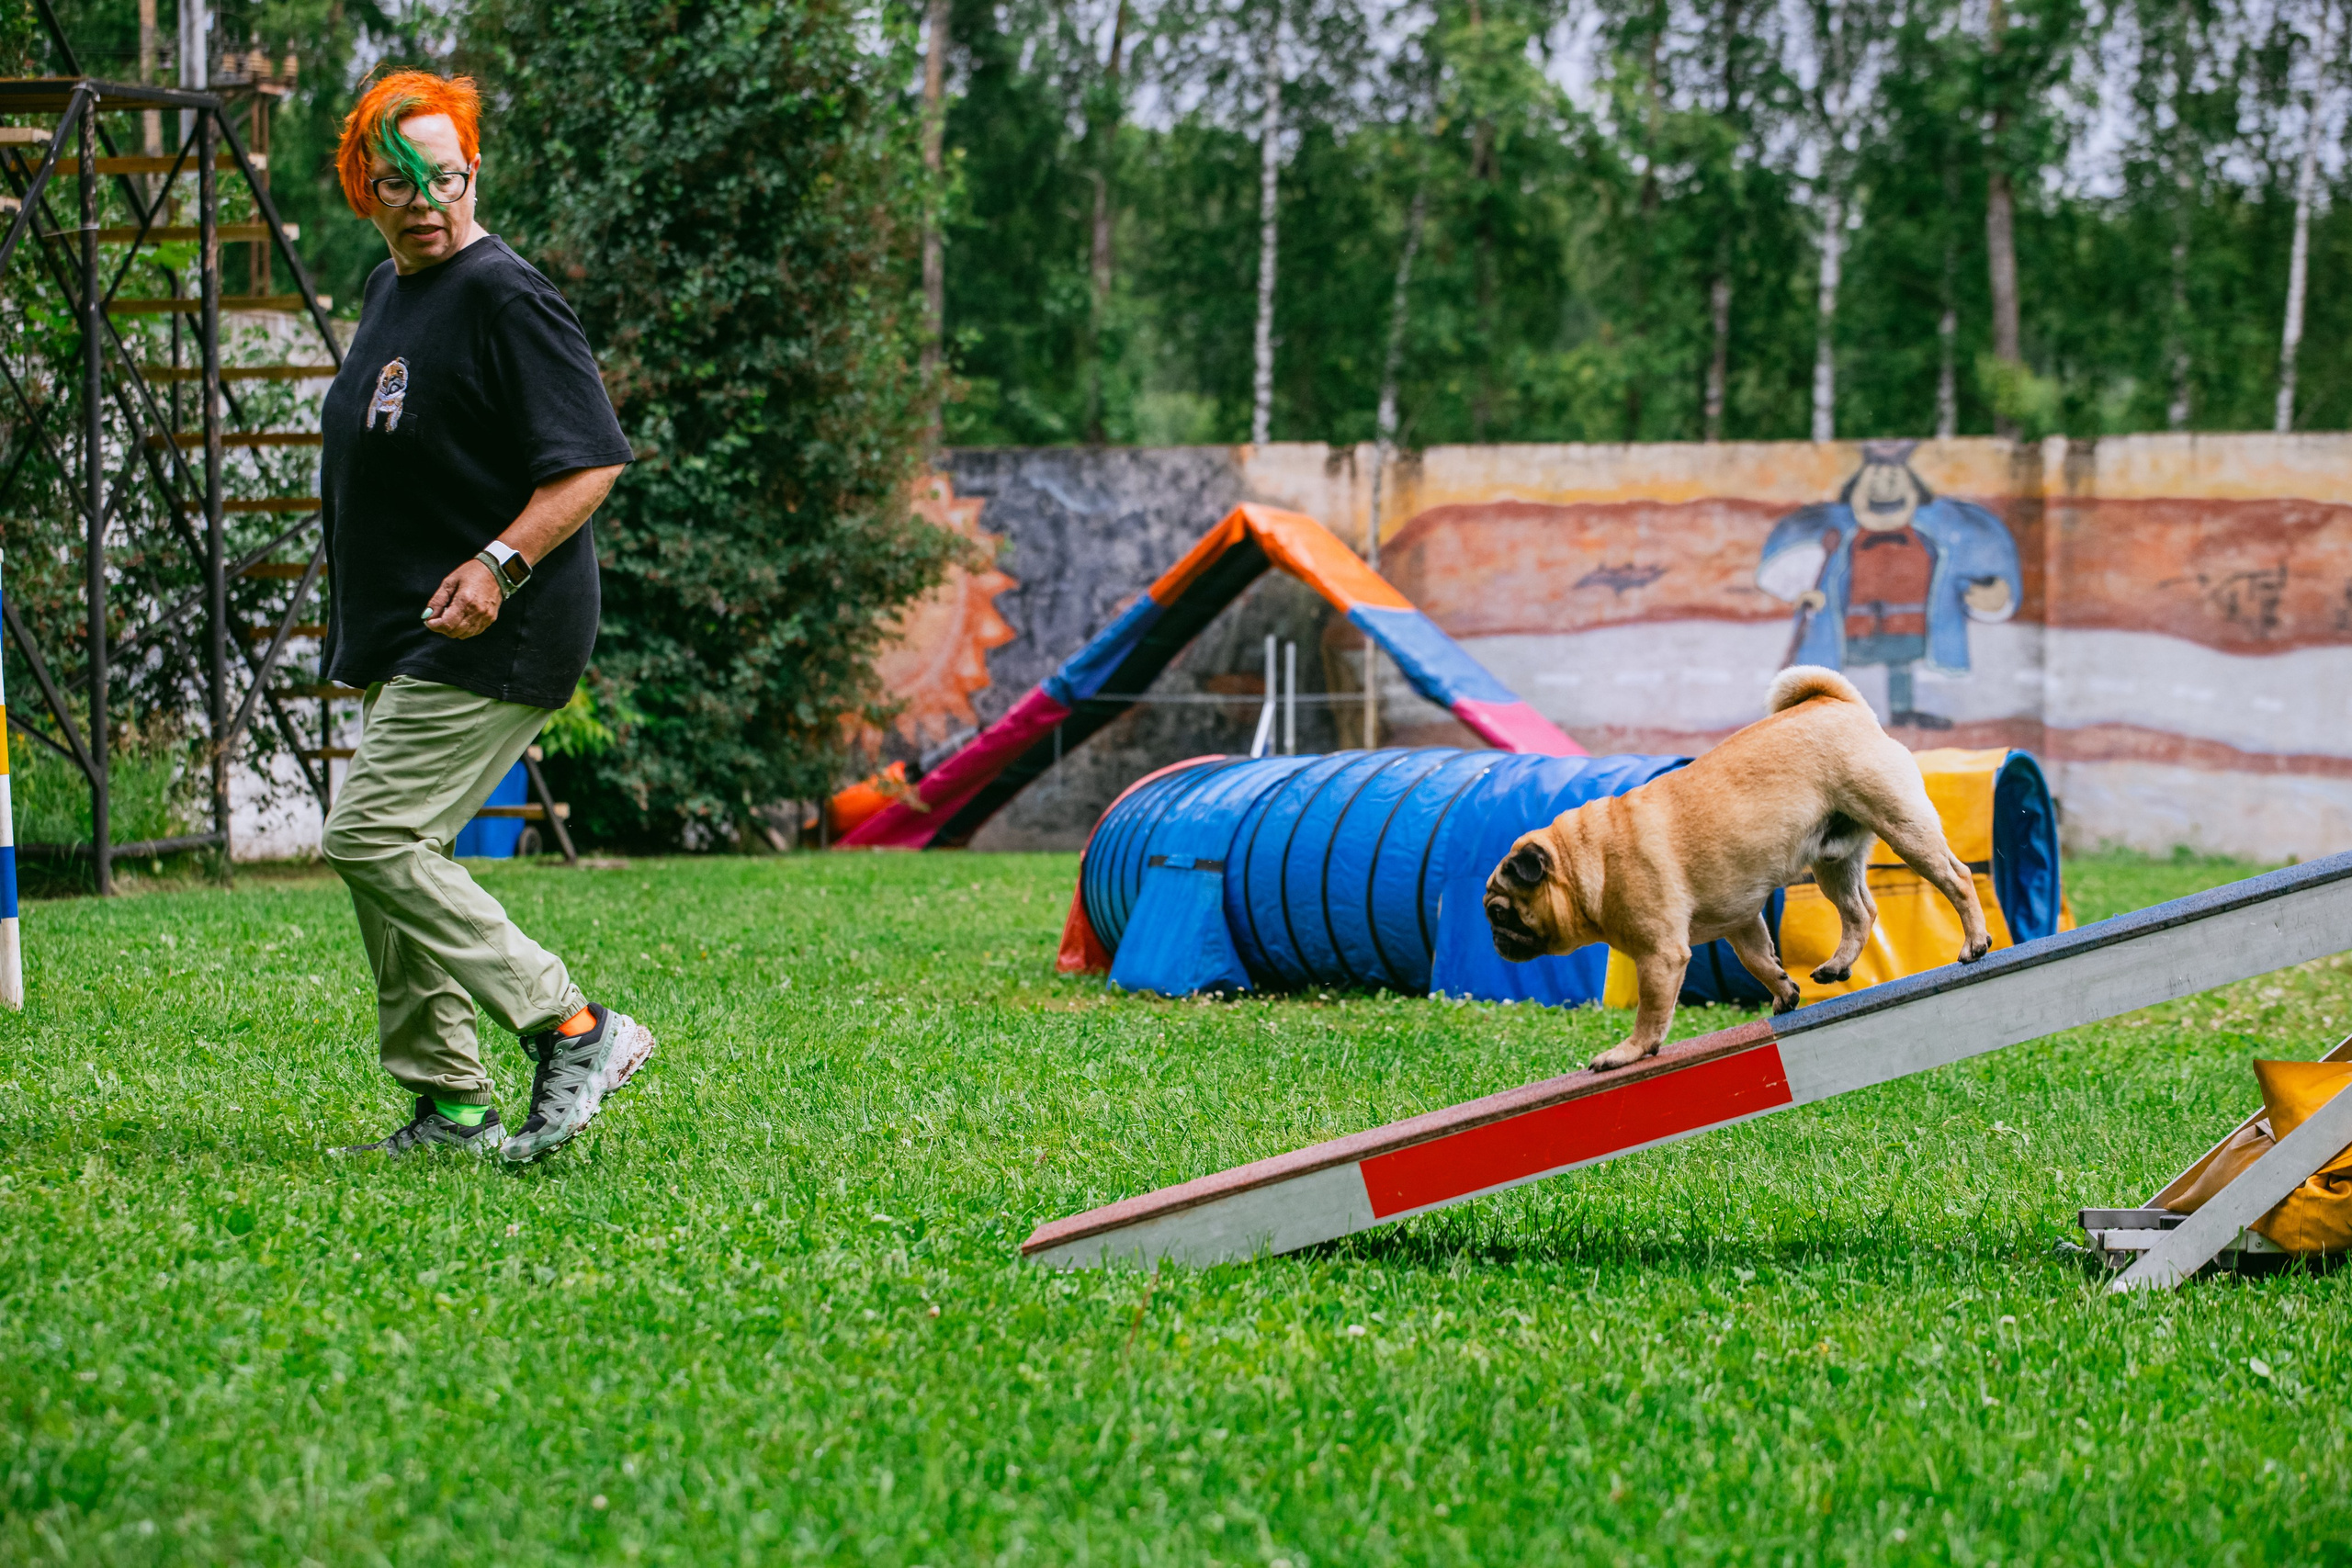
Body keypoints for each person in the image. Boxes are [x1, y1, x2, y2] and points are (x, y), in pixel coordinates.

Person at [317, 71, 650, 1161]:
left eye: (444, 177)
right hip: (415, 625)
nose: (425, 200)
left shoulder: (508, 295)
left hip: (498, 622)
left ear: (474, 171)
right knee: (392, 858)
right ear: (363, 191)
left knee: (370, 836)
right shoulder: (389, 287)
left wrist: (498, 566)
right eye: (396, 182)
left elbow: (591, 461)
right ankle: (452, 1107)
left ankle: (571, 1026)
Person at [1755, 440, 2021, 729]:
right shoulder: (1838, 540)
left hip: (1907, 625)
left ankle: (1901, 712)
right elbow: (1807, 568)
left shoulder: (1934, 542)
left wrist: (1990, 591)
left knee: (1900, 666)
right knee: (1838, 669)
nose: (1885, 490)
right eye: (1875, 481)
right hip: (1858, 627)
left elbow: (1962, 569)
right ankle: (1835, 714)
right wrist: (1806, 592)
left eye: (1894, 480)